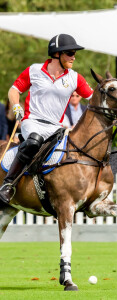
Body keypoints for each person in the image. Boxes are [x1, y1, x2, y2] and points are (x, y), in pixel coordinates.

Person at [0, 34, 94, 204]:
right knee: (35, 141)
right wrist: (16, 106)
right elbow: (14, 90)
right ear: (57, 54)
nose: (74, 57)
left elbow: (93, 98)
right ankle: (8, 184)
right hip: (32, 122)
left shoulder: (75, 78)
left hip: (56, 127)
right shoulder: (34, 70)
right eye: (70, 53)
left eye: (74, 53)